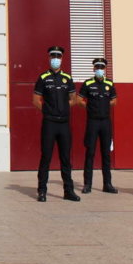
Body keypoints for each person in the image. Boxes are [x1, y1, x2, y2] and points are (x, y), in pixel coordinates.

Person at [32, 46, 80, 202]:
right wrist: (48, 111)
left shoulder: (67, 78)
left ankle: (69, 191)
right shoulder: (43, 77)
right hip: (49, 124)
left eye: (58, 56)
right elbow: (36, 100)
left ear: (62, 59)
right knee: (46, 157)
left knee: (65, 158)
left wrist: (63, 108)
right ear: (49, 58)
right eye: (53, 56)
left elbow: (73, 99)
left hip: (64, 124)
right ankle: (42, 191)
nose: (55, 59)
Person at [77, 58, 118, 194]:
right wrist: (89, 107)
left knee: (106, 154)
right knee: (90, 153)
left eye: (102, 67)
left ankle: (107, 184)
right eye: (97, 67)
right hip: (93, 122)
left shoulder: (109, 83)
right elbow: (79, 100)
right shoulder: (88, 83)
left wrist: (105, 105)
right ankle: (87, 184)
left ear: (105, 69)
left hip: (106, 122)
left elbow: (114, 100)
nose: (100, 69)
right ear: (94, 69)